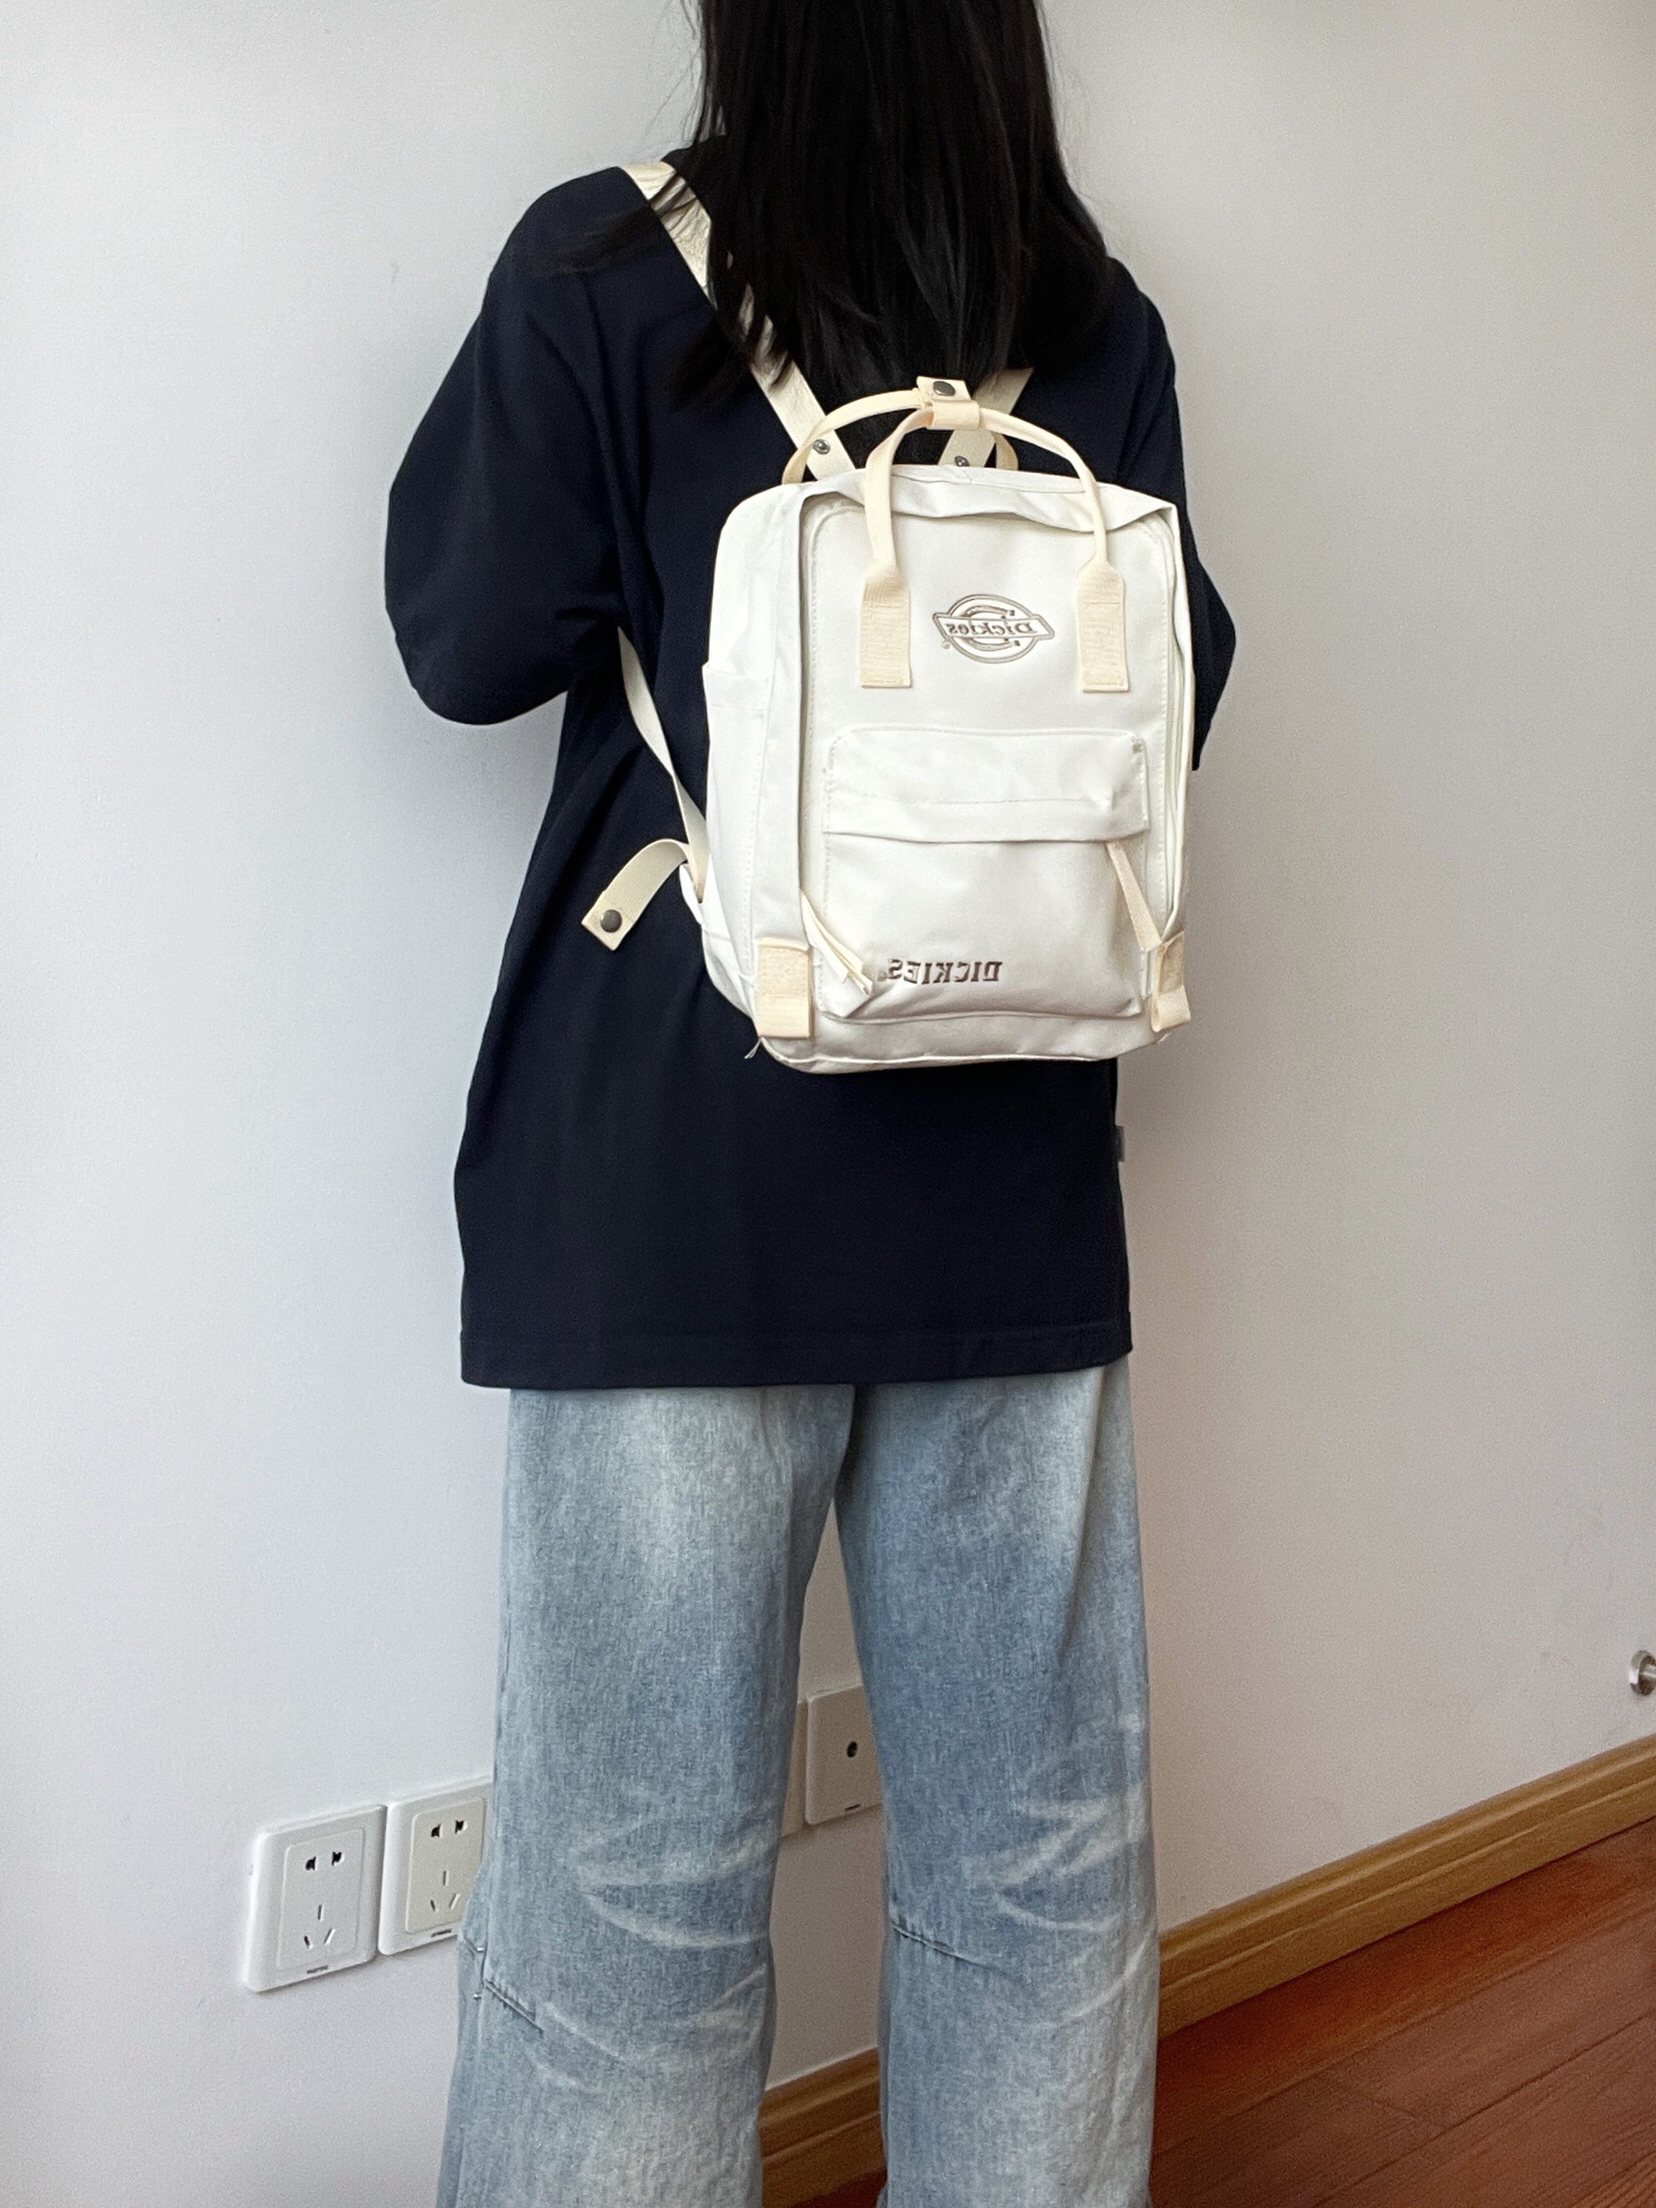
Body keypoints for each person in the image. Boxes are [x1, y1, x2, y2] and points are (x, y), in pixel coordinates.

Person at [386, 2, 1234, 2200]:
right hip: (1008, 1183)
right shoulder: (1093, 324)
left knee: (626, 1918)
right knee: (1036, 1879)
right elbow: (1177, 689)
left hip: (674, 1179)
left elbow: (465, 639)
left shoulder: (604, 271)